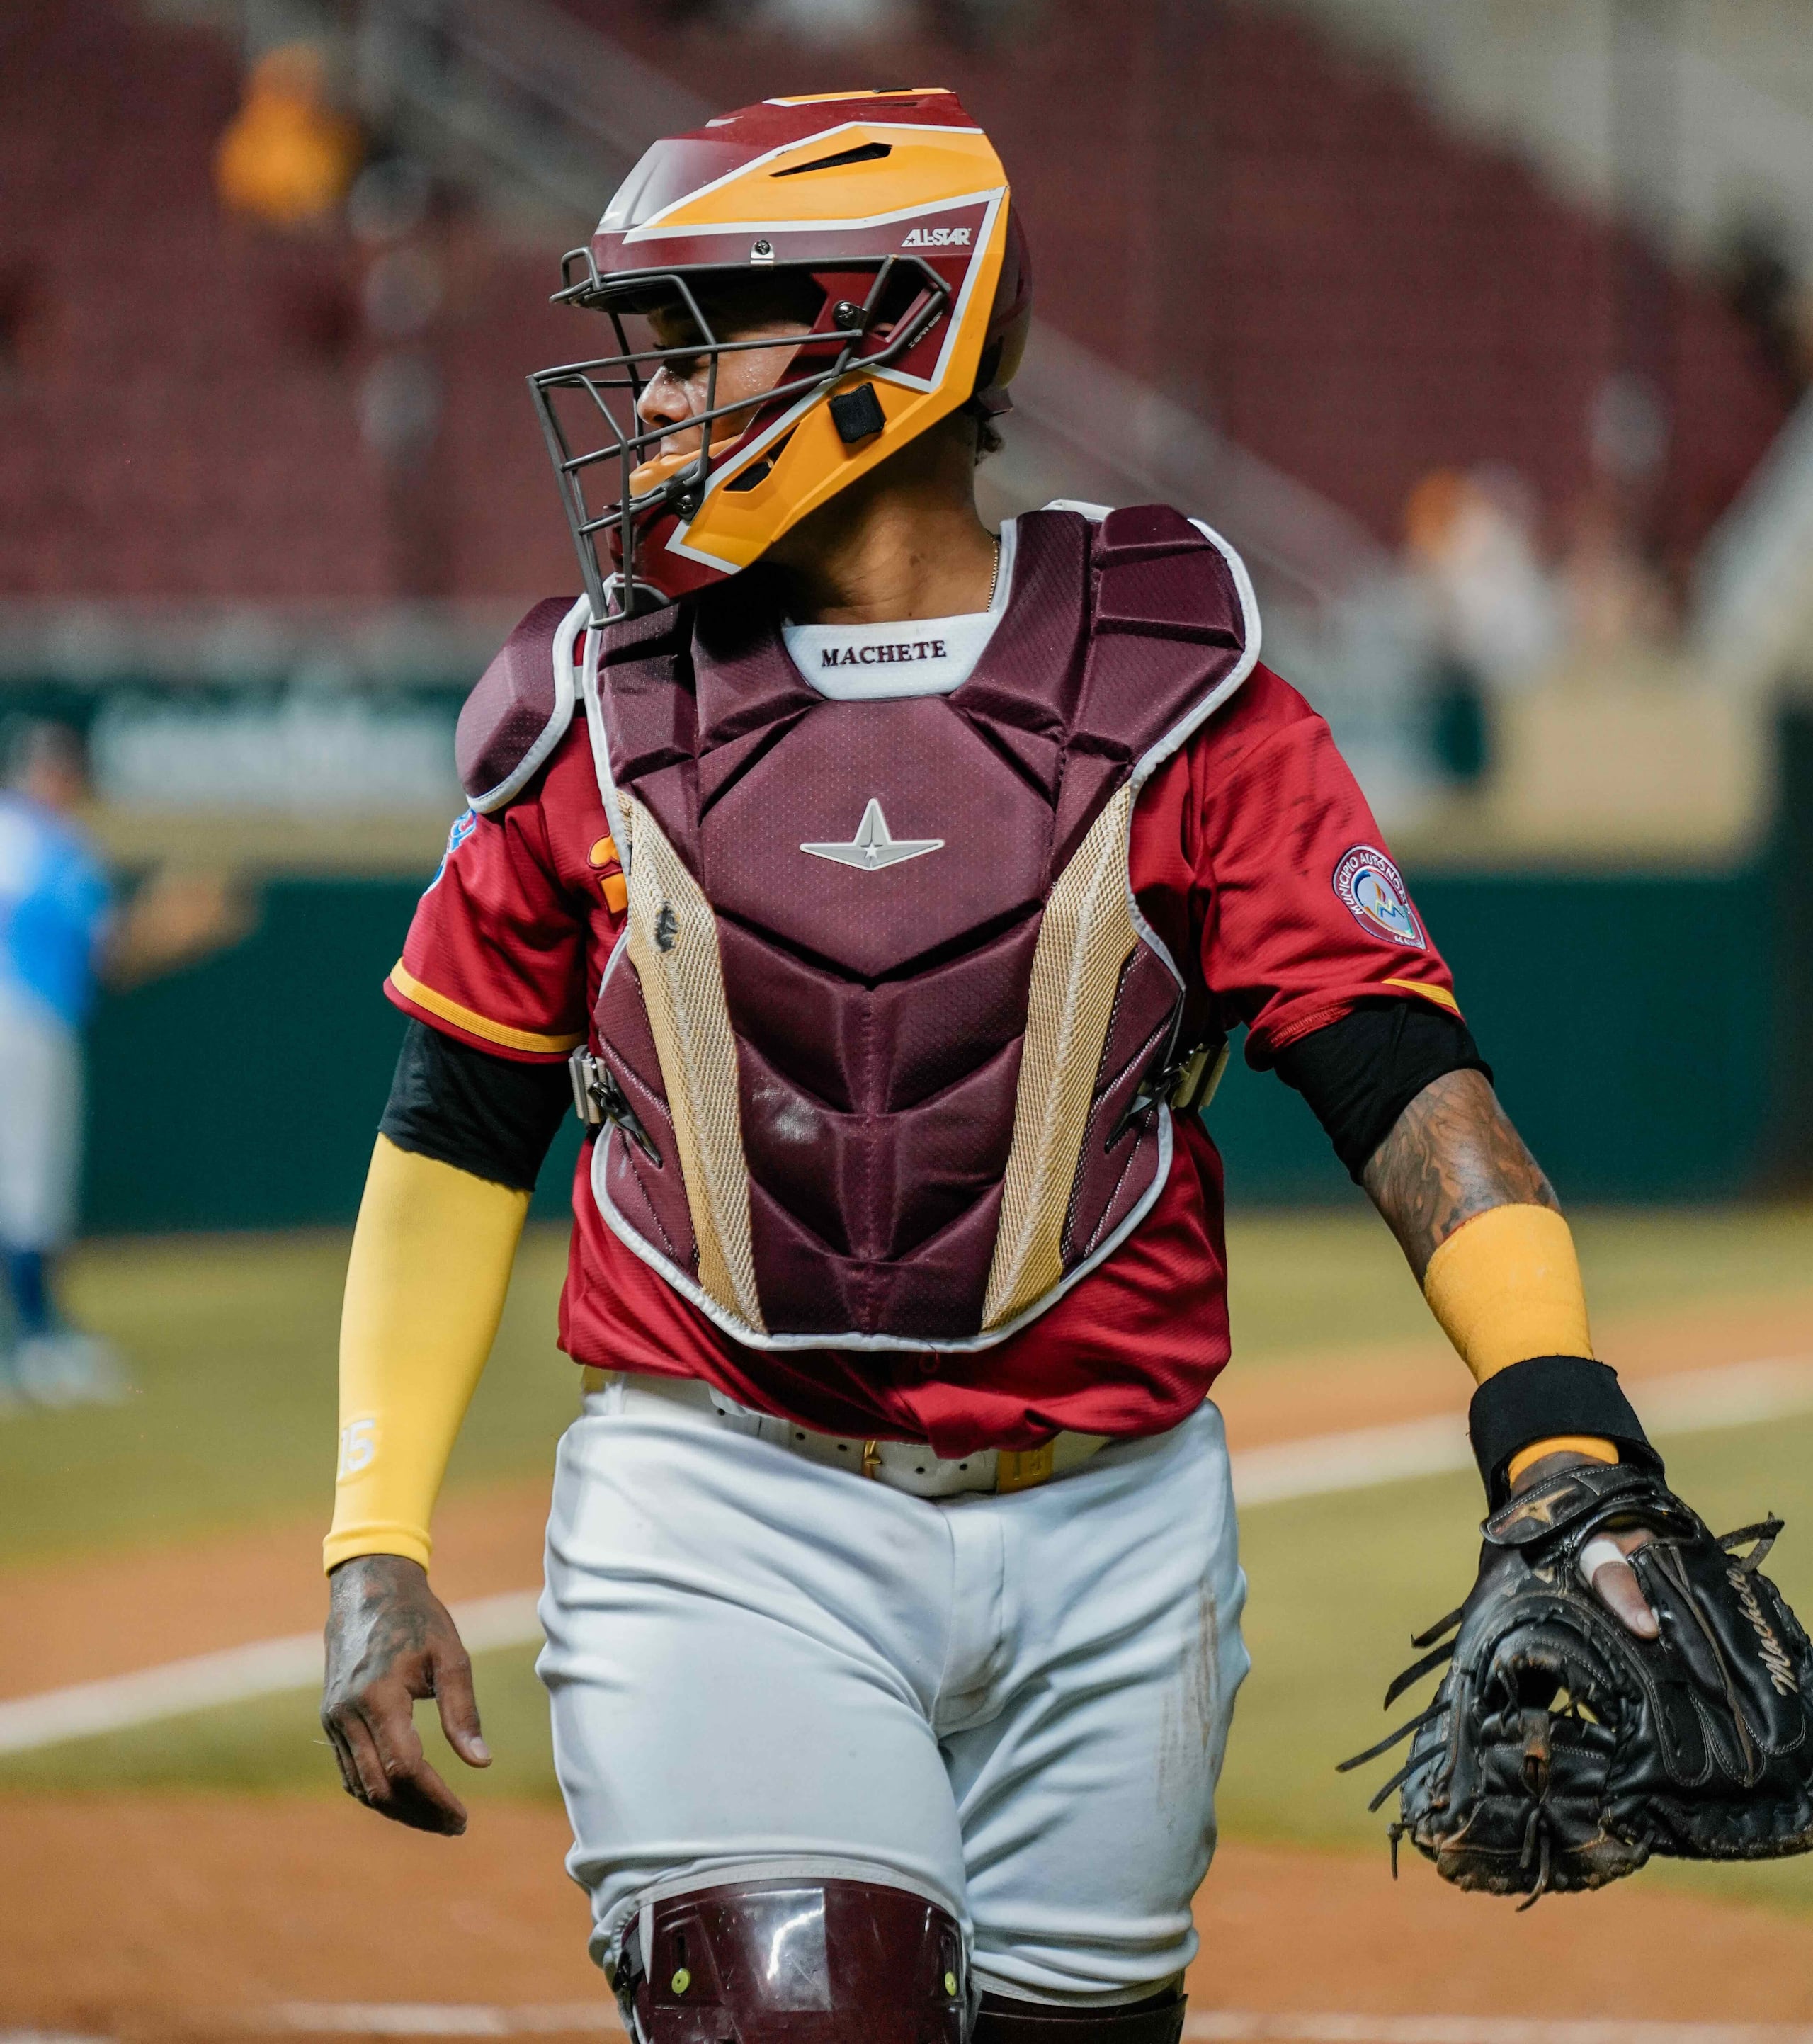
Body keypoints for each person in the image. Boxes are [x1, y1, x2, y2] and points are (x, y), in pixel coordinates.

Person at [321, 93, 1671, 2043]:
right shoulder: (586, 711)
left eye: (707, 338)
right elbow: (455, 1125)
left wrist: (1559, 1423)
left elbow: (1406, 1085)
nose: (662, 402)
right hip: (728, 1502)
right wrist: (375, 1533)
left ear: (897, 330)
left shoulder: (1185, 696)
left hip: (1118, 1526)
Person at [0, 720, 249, 1406]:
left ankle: (33, 1340)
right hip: (26, 1024)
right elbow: (113, 954)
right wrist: (184, 924)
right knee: (29, 1187)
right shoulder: (59, 847)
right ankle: (39, 1343)